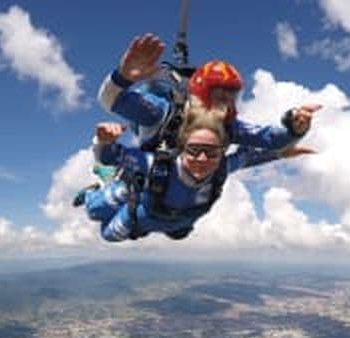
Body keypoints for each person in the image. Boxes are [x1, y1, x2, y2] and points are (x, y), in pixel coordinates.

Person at [79, 106, 313, 242]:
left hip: (160, 224)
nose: (202, 159)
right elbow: (111, 155)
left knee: (111, 235)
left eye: (211, 152)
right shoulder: (155, 165)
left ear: (222, 152)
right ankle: (101, 185)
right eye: (194, 150)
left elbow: (249, 157)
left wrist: (284, 150)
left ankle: (114, 188)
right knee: (97, 211)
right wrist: (103, 141)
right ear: (181, 148)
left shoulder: (220, 169)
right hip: (138, 210)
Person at [97, 33, 320, 151]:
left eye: (232, 94)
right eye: (220, 94)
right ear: (201, 93)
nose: (227, 102)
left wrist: (294, 126)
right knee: (154, 93)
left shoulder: (228, 126)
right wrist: (123, 76)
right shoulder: (159, 112)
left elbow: (272, 139)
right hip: (152, 138)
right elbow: (108, 100)